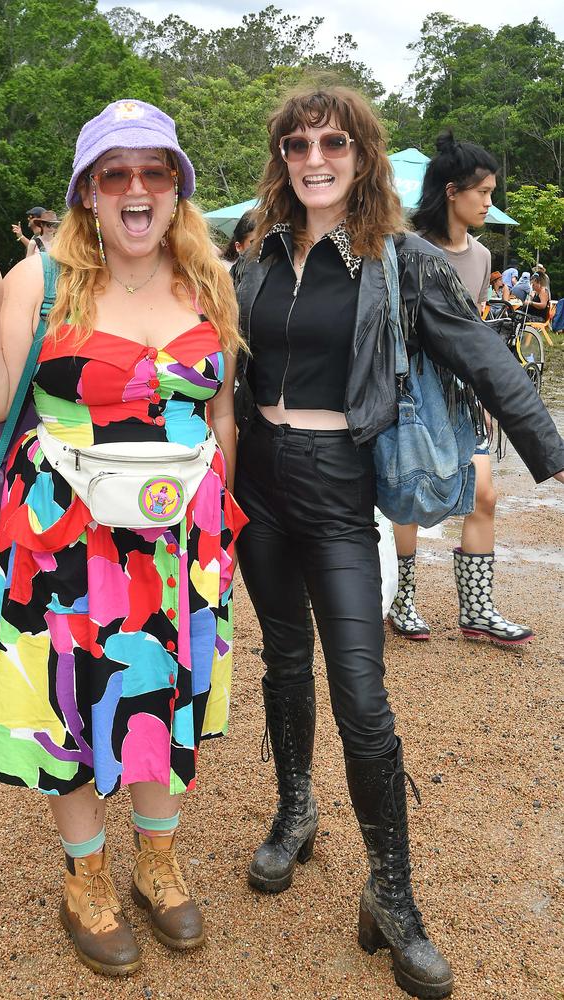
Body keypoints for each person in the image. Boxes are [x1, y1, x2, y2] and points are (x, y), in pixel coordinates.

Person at [231, 85, 564, 1000]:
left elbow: (480, 352)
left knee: (364, 695)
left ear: (362, 153)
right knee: (283, 662)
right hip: (255, 484)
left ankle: (394, 894)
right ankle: (295, 814)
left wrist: (550, 449)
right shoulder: (253, 256)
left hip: (341, 487)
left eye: (333, 141)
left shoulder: (399, 258)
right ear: (282, 157)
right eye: (297, 143)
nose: (315, 157)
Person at [0, 98, 245, 977]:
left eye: (155, 170)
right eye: (116, 173)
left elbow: (221, 407)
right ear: (88, 192)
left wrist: (221, 525)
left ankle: (157, 858)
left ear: (178, 188)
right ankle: (86, 877)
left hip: (175, 544)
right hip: (63, 542)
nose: (137, 187)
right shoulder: (43, 279)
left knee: (159, 696)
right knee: (69, 706)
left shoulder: (209, 279)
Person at [390, 132, 534, 645]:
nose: (489, 204)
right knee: (410, 494)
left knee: (485, 494)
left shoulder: (482, 256)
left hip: (460, 395)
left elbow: (473, 331)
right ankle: (401, 600)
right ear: (452, 191)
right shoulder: (403, 248)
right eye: (484, 193)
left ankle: (477, 610)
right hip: (412, 392)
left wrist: (486, 397)